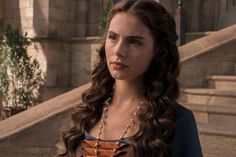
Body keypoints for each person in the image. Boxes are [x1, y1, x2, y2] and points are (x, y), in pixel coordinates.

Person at [58, 0, 203, 157]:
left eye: (133, 42)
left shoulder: (177, 121)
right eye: (113, 37)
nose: (118, 51)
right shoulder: (89, 111)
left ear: (157, 50)